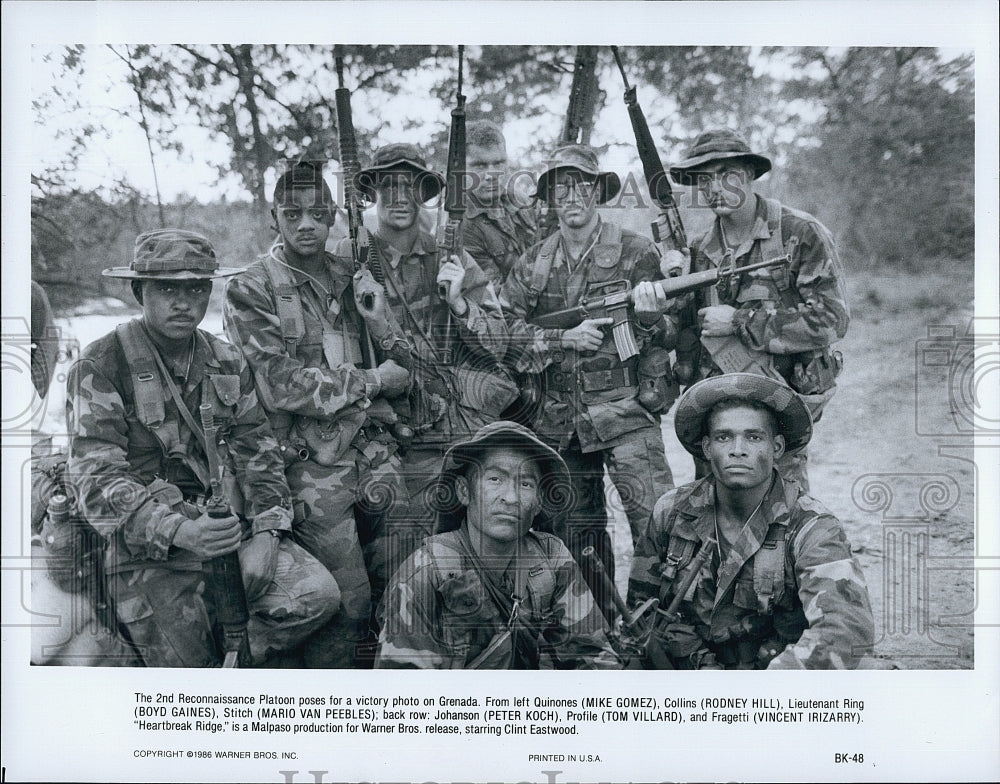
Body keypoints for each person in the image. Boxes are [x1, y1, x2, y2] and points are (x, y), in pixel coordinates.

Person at [65, 229, 338, 667]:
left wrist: (268, 532)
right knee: (187, 672)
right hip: (151, 549)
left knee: (317, 597)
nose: (183, 301)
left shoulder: (226, 359)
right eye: (167, 288)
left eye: (195, 287)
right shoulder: (101, 365)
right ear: (140, 292)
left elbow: (259, 450)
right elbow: (94, 480)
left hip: (228, 531)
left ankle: (236, 666)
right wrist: (180, 531)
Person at [224, 161, 412, 667]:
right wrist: (372, 381)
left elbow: (405, 365)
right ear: (274, 220)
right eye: (293, 213)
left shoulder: (353, 278)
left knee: (401, 583)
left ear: (332, 217)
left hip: (373, 453)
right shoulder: (252, 288)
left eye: (317, 213)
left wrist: (379, 318)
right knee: (347, 603)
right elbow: (281, 385)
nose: (306, 224)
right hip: (307, 465)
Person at [499, 143, 675, 604]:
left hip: (628, 413)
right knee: (578, 544)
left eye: (580, 186)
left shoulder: (636, 252)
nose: (571, 196)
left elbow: (673, 333)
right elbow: (502, 333)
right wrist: (562, 340)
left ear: (597, 192)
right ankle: (598, 633)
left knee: (659, 530)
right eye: (560, 188)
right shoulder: (533, 263)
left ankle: (664, 633)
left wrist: (653, 315)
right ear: (551, 199)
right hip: (560, 426)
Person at [333, 143, 514, 562]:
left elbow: (500, 344)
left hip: (451, 425)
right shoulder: (346, 256)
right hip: (381, 427)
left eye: (410, 186)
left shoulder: (450, 257)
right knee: (399, 556)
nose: (399, 197)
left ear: (423, 193)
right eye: (388, 186)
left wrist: (461, 305)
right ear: (371, 194)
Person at [629, 373, 874, 669]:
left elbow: (845, 631)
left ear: (777, 448)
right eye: (724, 437)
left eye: (754, 437)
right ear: (707, 448)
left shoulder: (811, 526)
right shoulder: (672, 512)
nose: (738, 449)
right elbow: (643, 607)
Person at [666, 128, 849, 489]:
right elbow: (686, 331)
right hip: (718, 410)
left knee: (784, 514)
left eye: (726, 175)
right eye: (704, 179)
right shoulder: (700, 249)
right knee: (715, 516)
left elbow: (832, 319)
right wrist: (664, 294)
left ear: (749, 175)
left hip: (778, 402)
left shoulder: (799, 232)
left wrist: (740, 321)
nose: (715, 188)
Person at [375, 421, 620, 669]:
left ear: (538, 502)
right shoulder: (425, 573)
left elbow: (594, 659)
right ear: (463, 491)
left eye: (525, 484)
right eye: (495, 479)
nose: (511, 498)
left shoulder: (551, 556)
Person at [462, 119, 538, 286]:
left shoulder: (522, 202)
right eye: (480, 165)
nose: (492, 174)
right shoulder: (460, 224)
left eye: (498, 163)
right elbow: (492, 295)